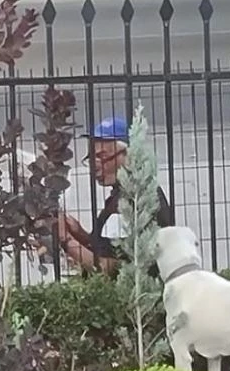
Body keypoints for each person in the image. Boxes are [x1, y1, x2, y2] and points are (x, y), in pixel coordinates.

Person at [57, 116, 174, 278]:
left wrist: (66, 240)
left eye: (102, 156)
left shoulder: (128, 202)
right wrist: (82, 235)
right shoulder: (131, 190)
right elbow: (109, 247)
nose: (94, 166)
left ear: (127, 156)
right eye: (92, 157)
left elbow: (107, 269)